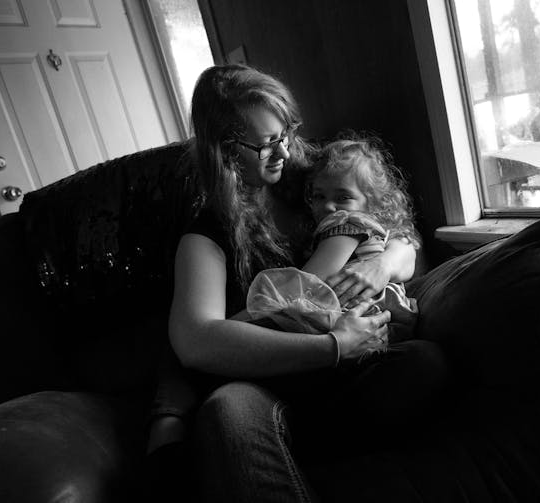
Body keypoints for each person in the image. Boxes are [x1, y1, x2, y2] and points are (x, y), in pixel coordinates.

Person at [149, 64, 449, 503]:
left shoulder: (310, 179)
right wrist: (332, 347)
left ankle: (307, 452)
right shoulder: (206, 235)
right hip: (270, 377)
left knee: (426, 361)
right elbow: (195, 340)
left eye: (285, 132)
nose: (284, 151)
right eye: (266, 144)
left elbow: (400, 232)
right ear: (226, 152)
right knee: (227, 412)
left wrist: (382, 265)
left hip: (343, 379)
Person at [246, 135, 419, 346]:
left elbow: (311, 280)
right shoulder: (373, 231)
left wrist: (244, 319)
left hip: (356, 320)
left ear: (373, 202)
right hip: (384, 325)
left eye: (343, 197)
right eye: (319, 196)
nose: (328, 206)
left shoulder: (345, 224)